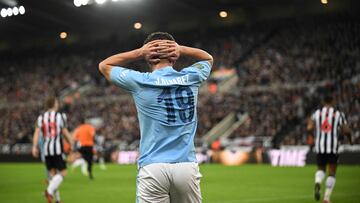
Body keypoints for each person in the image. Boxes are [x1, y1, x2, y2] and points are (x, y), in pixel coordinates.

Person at [99, 32, 213, 203]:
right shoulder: (192, 77)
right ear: (174, 57)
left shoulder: (139, 80)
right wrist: (181, 49)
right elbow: (208, 59)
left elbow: (104, 65)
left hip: (153, 167)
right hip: (186, 166)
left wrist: (139, 52)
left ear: (148, 58)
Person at [307, 95, 353, 203]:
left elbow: (309, 128)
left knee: (320, 169)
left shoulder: (317, 113)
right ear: (333, 101)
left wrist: (314, 138)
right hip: (333, 147)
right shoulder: (338, 114)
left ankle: (318, 182)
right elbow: (347, 130)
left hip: (320, 147)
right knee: (332, 173)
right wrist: (350, 141)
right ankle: (327, 198)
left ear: (323, 102)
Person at [32, 96, 73, 203]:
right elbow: (65, 132)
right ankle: (48, 192)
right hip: (57, 150)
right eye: (57, 103)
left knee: (53, 176)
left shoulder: (41, 117)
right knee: (63, 173)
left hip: (46, 151)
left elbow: (36, 133)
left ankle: (57, 200)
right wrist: (71, 143)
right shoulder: (60, 116)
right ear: (54, 104)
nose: (58, 104)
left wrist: (34, 146)